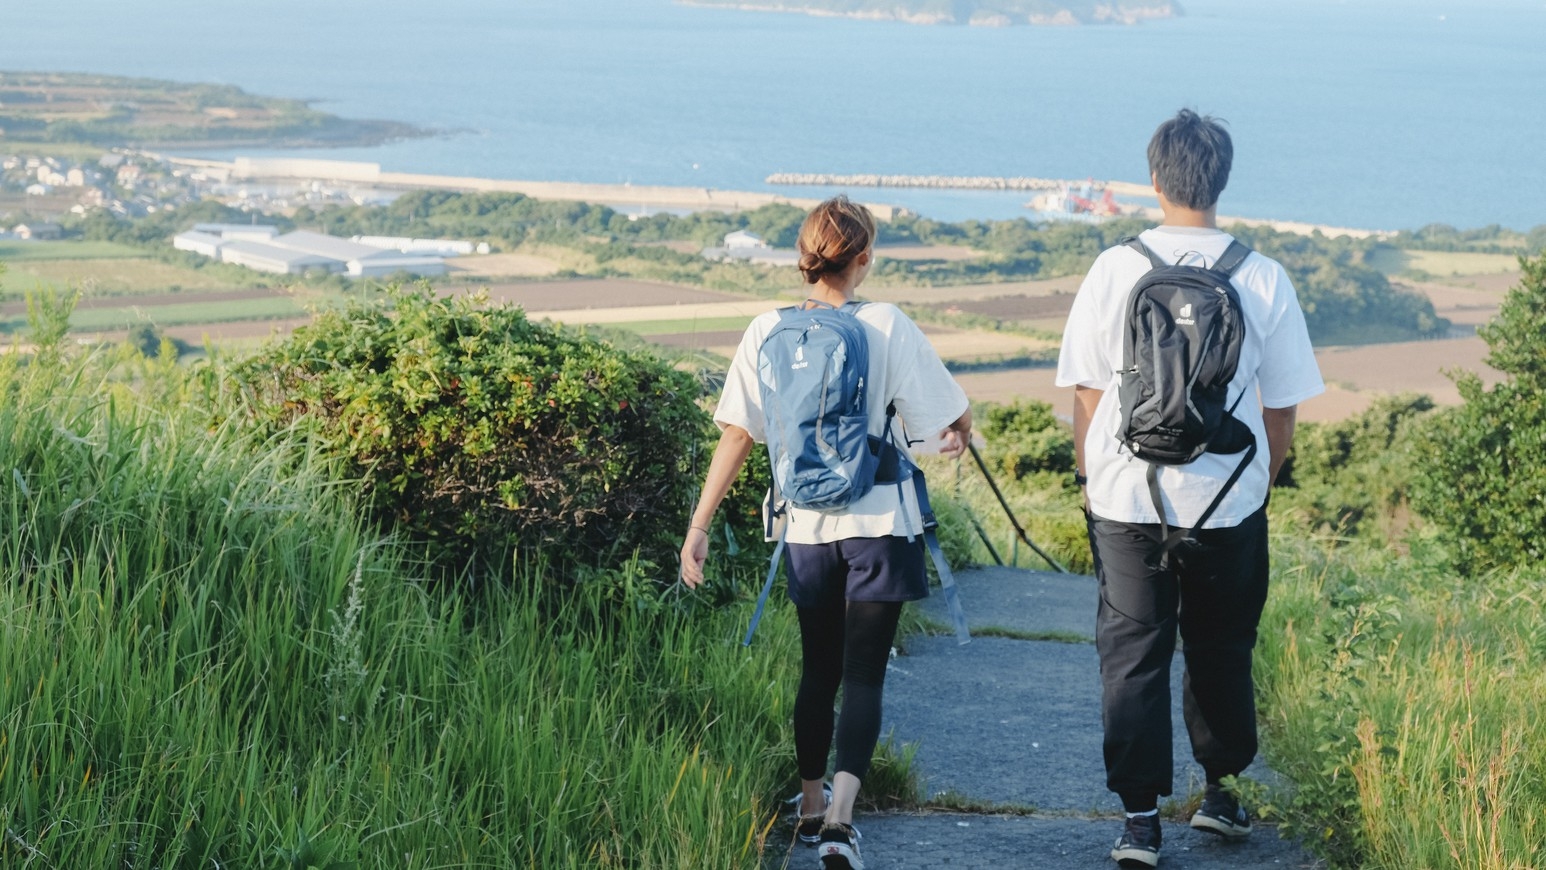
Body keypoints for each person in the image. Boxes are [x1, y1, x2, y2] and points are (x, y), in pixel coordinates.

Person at [1054, 110, 1325, 869]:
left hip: (1126, 499)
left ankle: (1140, 822)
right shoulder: (1262, 276)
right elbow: (1283, 405)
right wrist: (1258, 484)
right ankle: (1222, 793)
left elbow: (1084, 391)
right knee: (1221, 645)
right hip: (1228, 497)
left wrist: (1091, 476)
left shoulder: (1116, 267)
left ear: (1153, 179)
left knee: (1132, 654)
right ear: (1223, 179)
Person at [680, 195, 972, 870]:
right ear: (864, 258)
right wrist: (960, 432)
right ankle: (842, 822)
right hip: (881, 526)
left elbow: (739, 433)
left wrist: (699, 524)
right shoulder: (890, 324)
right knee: (865, 675)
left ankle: (808, 809)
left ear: (805, 258)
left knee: (819, 669)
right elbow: (946, 418)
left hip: (805, 529)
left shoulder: (766, 329)